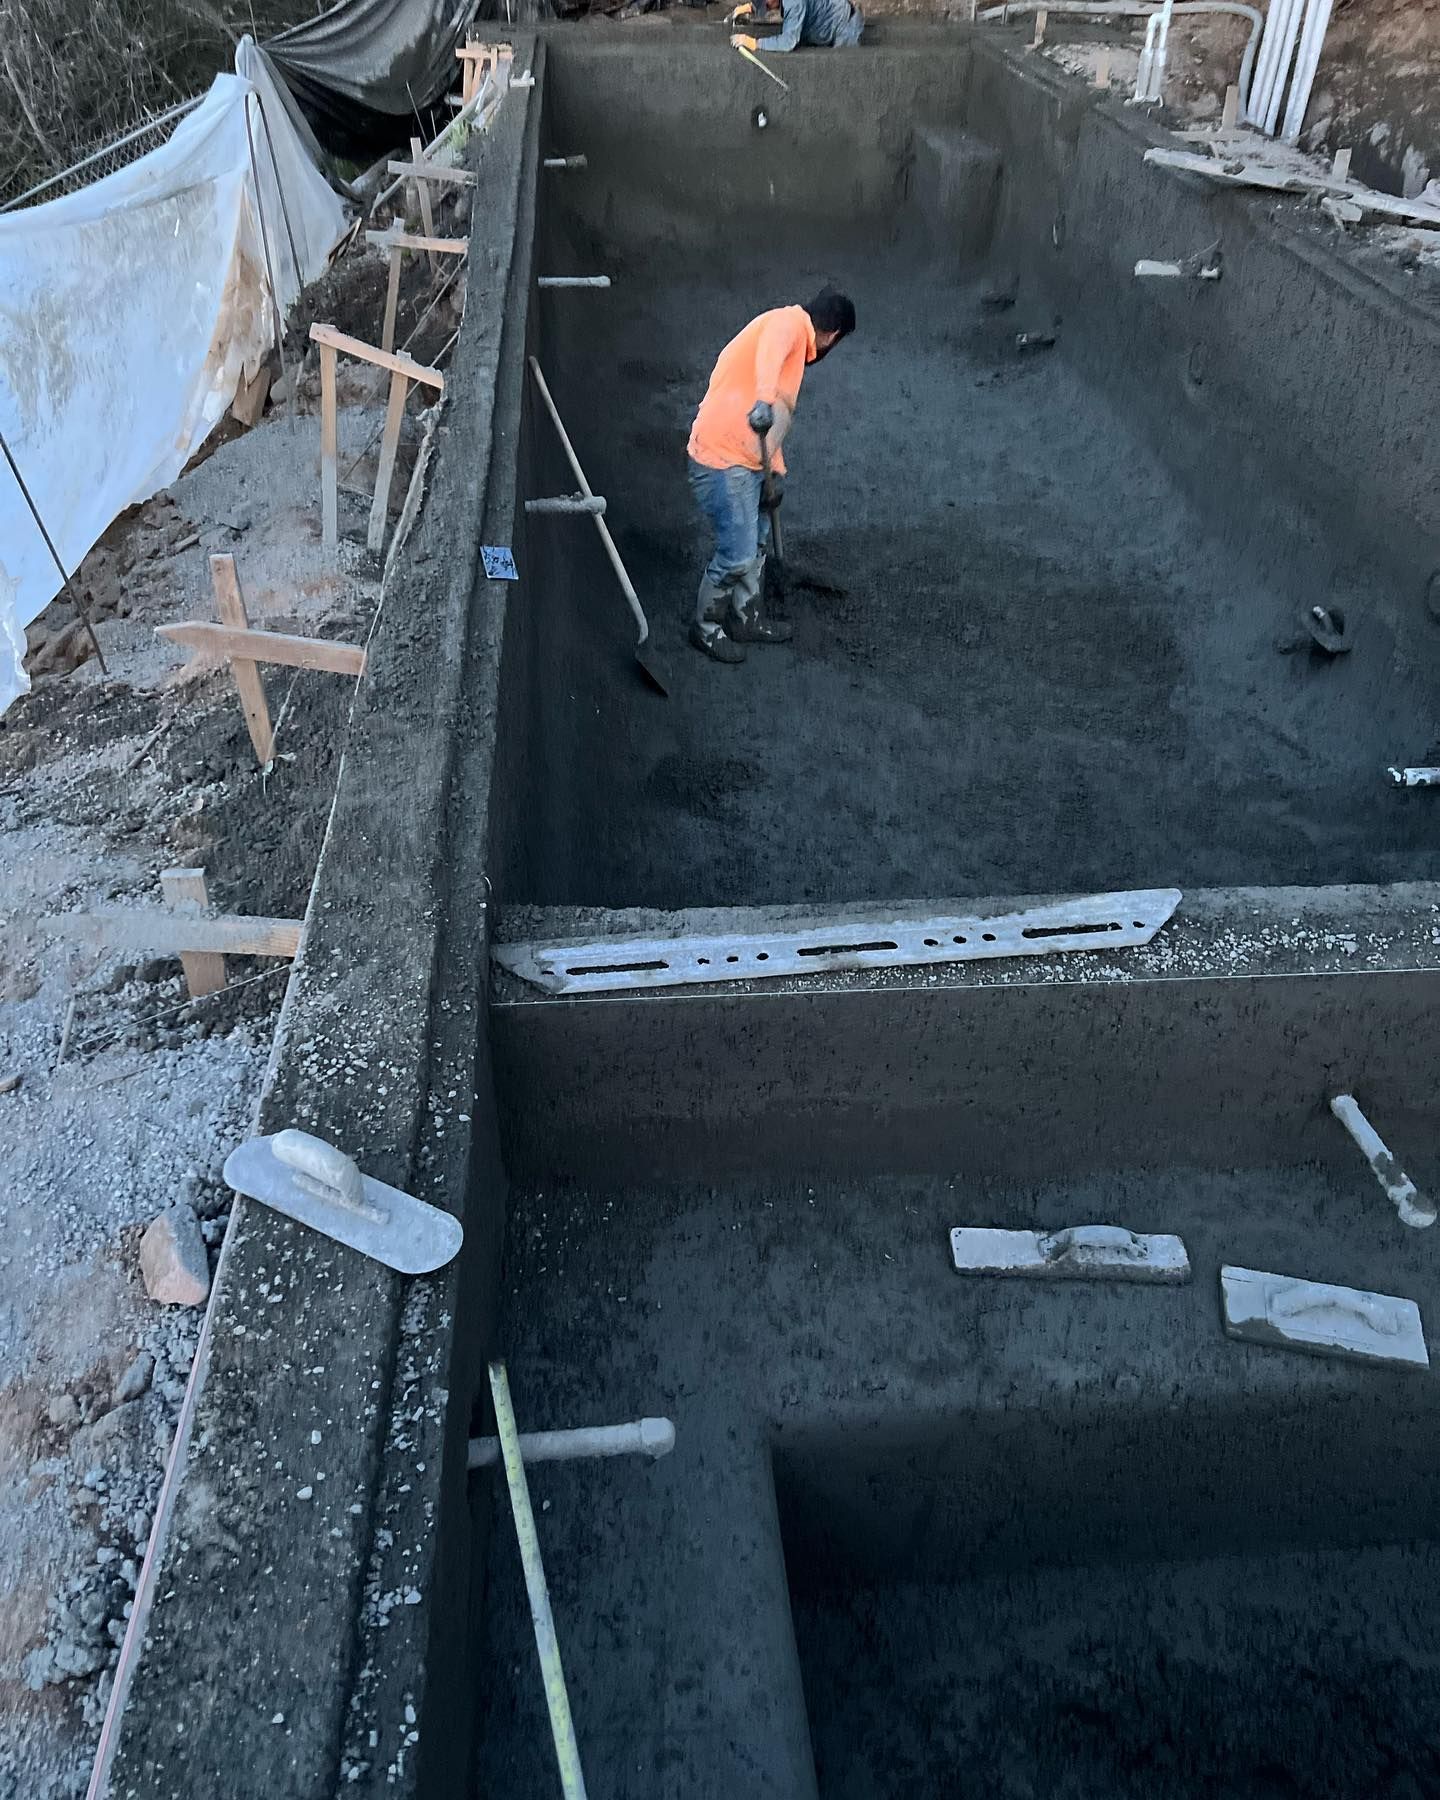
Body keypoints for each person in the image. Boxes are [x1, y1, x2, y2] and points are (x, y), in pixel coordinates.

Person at [686, 286, 857, 664]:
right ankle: (706, 628)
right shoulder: (788, 325)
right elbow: (770, 359)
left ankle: (746, 616)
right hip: (722, 461)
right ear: (833, 335)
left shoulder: (788, 334)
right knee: (737, 555)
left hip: (746, 461)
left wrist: (772, 474)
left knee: (757, 541)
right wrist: (763, 400)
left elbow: (773, 424)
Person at [731, 0, 864, 53]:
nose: (767, 9)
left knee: (843, 73)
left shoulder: (794, 3)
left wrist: (755, 43)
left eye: (766, 5)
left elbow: (788, 42)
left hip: (845, 25)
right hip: (824, 25)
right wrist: (751, 7)